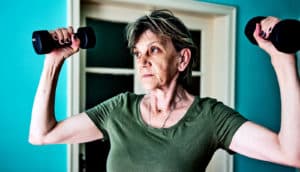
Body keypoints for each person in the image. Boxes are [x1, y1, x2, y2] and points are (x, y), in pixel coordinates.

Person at [29, 9, 300, 171]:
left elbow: (291, 153)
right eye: (138, 53)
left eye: (154, 50)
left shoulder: (210, 117)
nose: (142, 61)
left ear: (182, 60)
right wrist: (54, 61)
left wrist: (282, 58)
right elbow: (42, 135)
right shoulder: (119, 109)